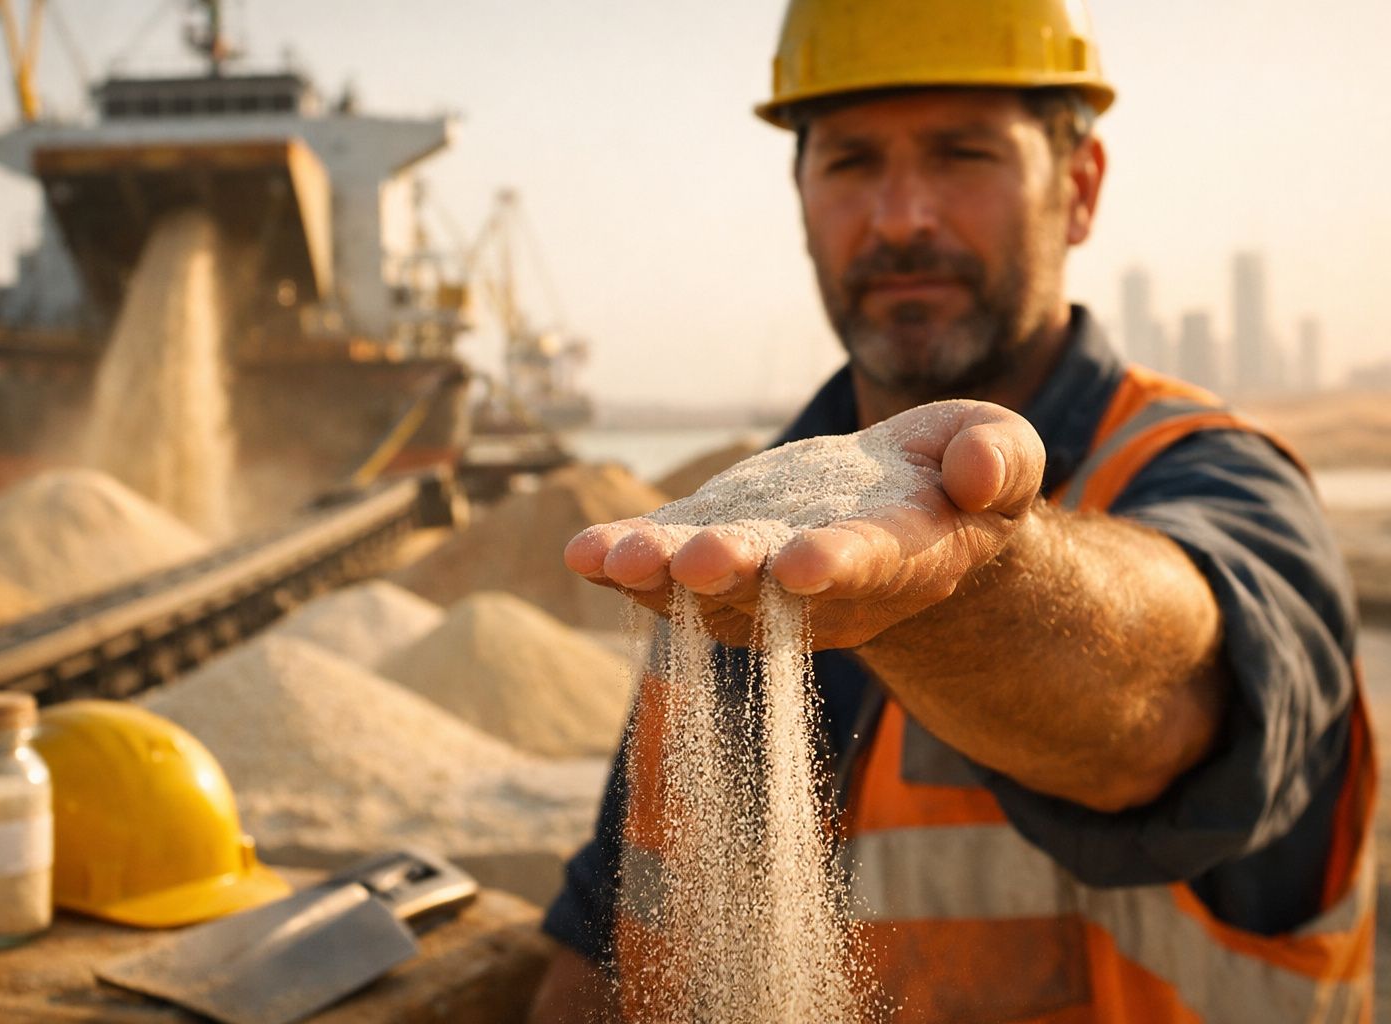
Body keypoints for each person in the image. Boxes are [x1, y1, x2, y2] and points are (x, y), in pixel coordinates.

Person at [527, 1, 1375, 1020]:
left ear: (1080, 189)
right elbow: (612, 934)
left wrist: (964, 577)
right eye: (848, 163)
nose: (899, 218)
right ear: (799, 196)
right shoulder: (719, 537)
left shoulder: (1213, 475)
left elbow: (1166, 706)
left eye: (962, 154)